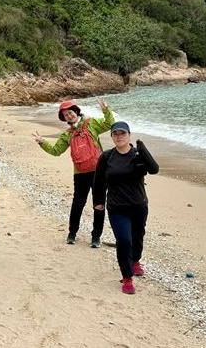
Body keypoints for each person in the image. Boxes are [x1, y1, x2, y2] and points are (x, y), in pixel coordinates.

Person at [32, 99, 113, 247]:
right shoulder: (67, 135)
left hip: (98, 172)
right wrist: (42, 142)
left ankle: (96, 236)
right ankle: (72, 233)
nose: (69, 116)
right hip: (80, 173)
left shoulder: (92, 123)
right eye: (65, 115)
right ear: (64, 119)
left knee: (99, 204)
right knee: (77, 204)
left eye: (70, 112)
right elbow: (56, 151)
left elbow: (109, 124)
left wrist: (106, 110)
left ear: (76, 111)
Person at [92, 121, 159, 295]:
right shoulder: (107, 157)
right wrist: (98, 202)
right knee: (123, 241)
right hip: (117, 207)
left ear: (129, 135)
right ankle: (127, 277)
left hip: (138, 205)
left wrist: (142, 149)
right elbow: (98, 181)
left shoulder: (138, 154)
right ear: (112, 137)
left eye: (122, 133)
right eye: (115, 134)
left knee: (137, 237)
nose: (119, 136)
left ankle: (135, 261)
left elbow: (154, 169)